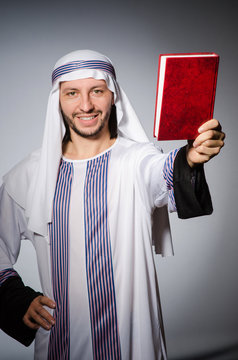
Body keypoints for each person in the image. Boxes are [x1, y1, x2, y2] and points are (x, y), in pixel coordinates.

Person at [0, 50, 225, 360]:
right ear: (58, 101)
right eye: (72, 93)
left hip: (135, 345)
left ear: (113, 95)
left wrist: (191, 157)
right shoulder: (28, 175)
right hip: (60, 346)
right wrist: (15, 298)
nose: (86, 105)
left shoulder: (137, 160)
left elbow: (167, 171)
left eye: (97, 91)